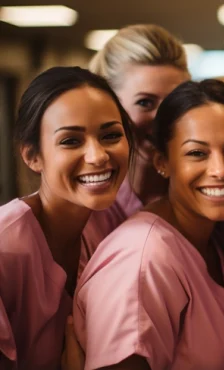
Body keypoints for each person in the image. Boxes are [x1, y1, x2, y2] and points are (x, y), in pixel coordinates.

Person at [74, 80, 224, 370]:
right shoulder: (143, 260)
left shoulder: (212, 238)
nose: (220, 170)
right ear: (162, 162)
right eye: (197, 153)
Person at [0, 66, 132, 370]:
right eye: (71, 141)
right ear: (32, 156)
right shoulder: (6, 247)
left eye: (111, 135)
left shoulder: (113, 226)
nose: (98, 156)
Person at [82, 24, 191, 255]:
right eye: (145, 103)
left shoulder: (205, 188)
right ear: (109, 106)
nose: (164, 118)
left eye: (175, 101)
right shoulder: (86, 205)